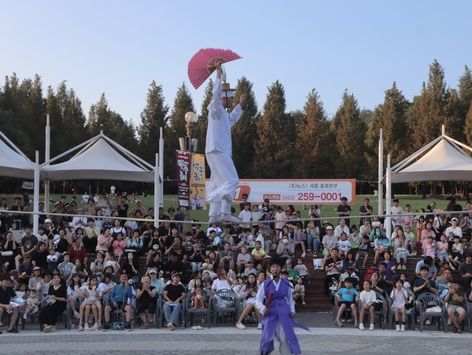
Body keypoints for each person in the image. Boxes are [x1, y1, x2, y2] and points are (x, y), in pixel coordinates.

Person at [205, 61, 246, 225]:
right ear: (224, 98)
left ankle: (213, 215)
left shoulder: (223, 115)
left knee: (216, 183)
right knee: (232, 180)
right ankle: (225, 212)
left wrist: (241, 105)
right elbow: (215, 97)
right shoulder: (215, 109)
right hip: (218, 150)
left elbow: (232, 118)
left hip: (215, 150)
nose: (232, 100)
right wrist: (218, 76)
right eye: (231, 98)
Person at [255, 260, 307, 355]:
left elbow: (290, 299)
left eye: (277, 266)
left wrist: (292, 310)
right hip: (270, 312)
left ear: (280, 268)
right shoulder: (265, 284)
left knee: (284, 338)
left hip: (283, 312)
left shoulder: (287, 284)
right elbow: (257, 300)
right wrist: (262, 308)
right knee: (267, 339)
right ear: (270, 269)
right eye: (273, 267)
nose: (275, 269)